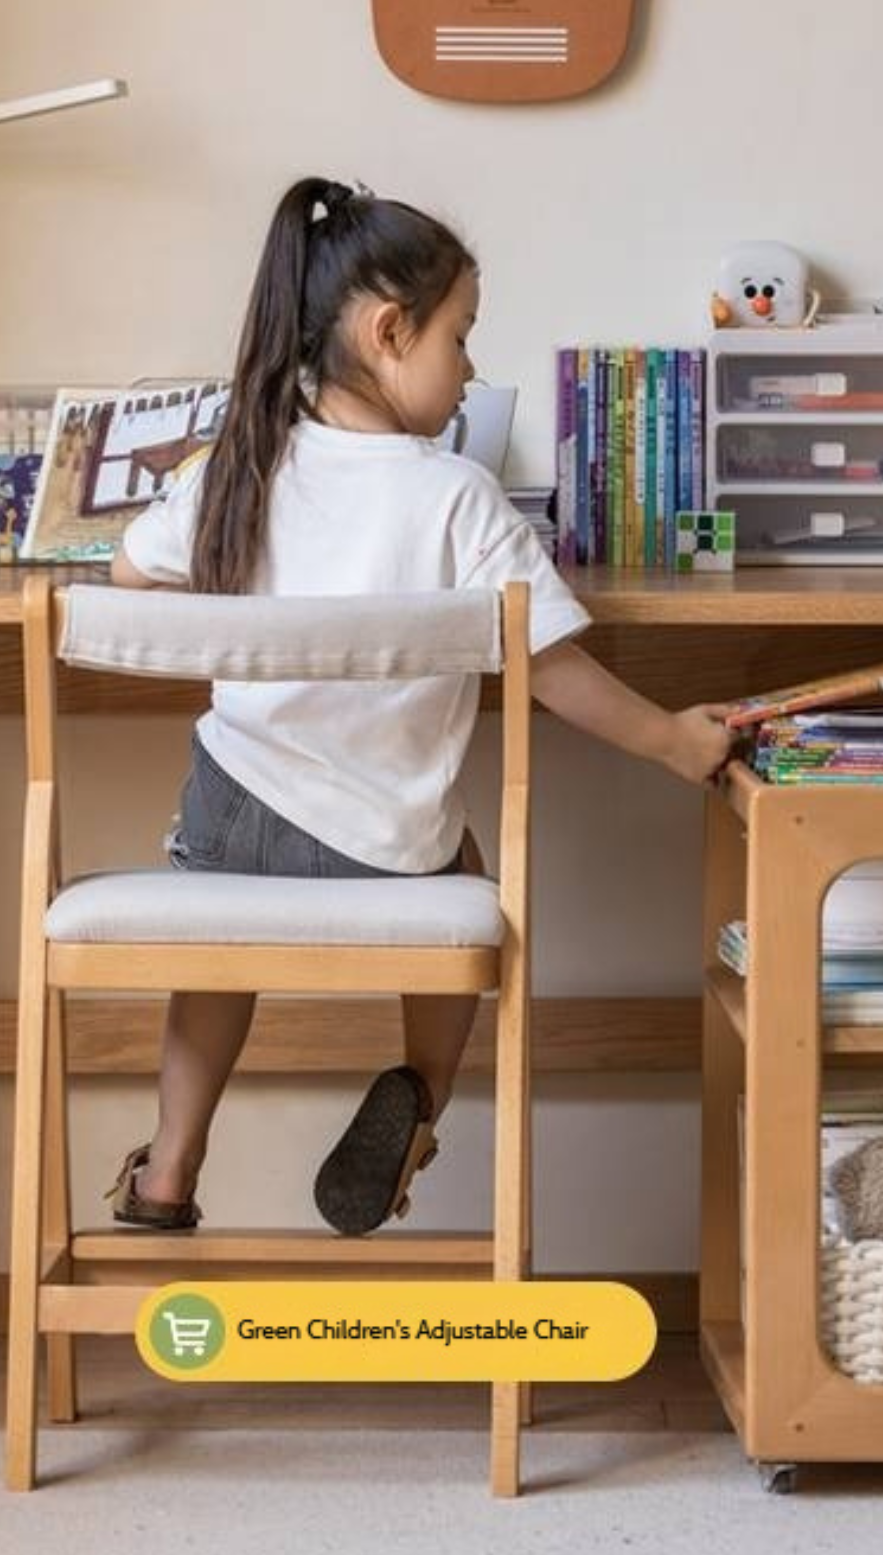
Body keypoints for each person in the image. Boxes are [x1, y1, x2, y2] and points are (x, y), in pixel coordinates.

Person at [108, 175, 734, 1236]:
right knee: (467, 881)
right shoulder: (454, 496)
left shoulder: (236, 469)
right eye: (462, 336)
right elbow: (550, 666)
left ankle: (168, 1169)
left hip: (232, 823)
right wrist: (674, 740)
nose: (470, 366)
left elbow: (128, 584)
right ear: (390, 331)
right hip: (384, 849)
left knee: (220, 940)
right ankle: (421, 1100)